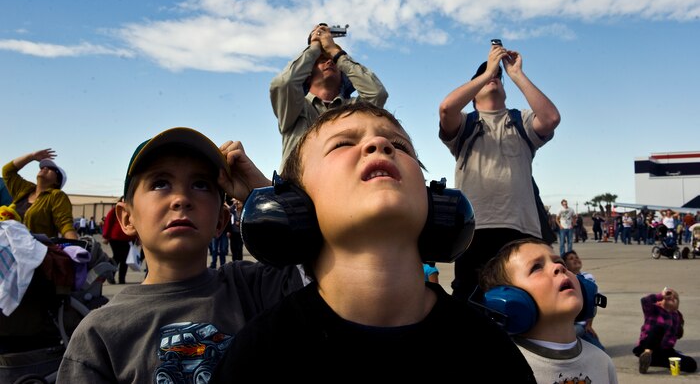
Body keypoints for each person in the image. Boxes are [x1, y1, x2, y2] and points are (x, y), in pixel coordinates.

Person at [211, 102, 536, 381]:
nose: (380, 144)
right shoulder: (261, 353)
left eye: (401, 146)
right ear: (295, 205)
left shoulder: (487, 349)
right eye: (342, 144)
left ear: (434, 201)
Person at [57, 127, 305, 383]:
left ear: (220, 220)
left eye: (200, 184)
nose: (181, 199)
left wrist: (263, 195)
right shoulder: (100, 332)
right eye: (160, 183)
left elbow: (327, 265)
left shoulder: (251, 288)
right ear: (127, 218)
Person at [439, 41, 560, 301]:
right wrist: (487, 72)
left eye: (497, 78)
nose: (493, 78)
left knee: (524, 299)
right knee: (470, 301)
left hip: (522, 228)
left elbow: (550, 118)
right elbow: (447, 108)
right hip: (476, 228)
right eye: (485, 79)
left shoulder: (521, 120)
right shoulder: (466, 124)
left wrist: (515, 74)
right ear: (472, 96)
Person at [479, 238, 618, 383]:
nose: (559, 267)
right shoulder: (501, 369)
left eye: (560, 262)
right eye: (536, 267)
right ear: (510, 299)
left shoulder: (602, 362)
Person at [270, 22, 388, 174]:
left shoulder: (353, 108)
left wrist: (336, 52)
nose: (329, 61)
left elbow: (377, 93)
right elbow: (283, 83)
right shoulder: (296, 106)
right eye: (320, 60)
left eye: (333, 61)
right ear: (307, 75)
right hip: (298, 192)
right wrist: (314, 47)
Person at [2, 149, 78, 239]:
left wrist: (76, 247)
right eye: (42, 167)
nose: (45, 168)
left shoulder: (56, 196)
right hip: (8, 247)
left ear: (57, 181)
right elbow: (7, 171)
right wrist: (32, 156)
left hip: (35, 250)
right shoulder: (24, 189)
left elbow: (64, 223)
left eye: (52, 169)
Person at [633, 287, 697, 374]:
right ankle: (647, 355)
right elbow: (645, 301)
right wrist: (661, 295)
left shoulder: (677, 316)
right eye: (668, 297)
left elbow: (677, 335)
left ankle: (650, 362)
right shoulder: (654, 310)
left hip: (664, 351)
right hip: (646, 346)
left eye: (675, 298)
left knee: (691, 364)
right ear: (660, 301)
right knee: (658, 329)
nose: (672, 299)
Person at [562, 250, 606, 351]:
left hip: (581, 324)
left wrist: (589, 324)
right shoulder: (563, 280)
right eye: (571, 259)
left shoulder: (587, 277)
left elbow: (593, 302)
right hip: (566, 324)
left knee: (600, 351)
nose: (576, 259)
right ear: (565, 265)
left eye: (576, 257)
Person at [101, 197, 131, 285]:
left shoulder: (131, 211)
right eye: (123, 199)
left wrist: (136, 238)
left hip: (127, 238)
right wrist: (106, 236)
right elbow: (108, 222)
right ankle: (111, 277)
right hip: (115, 238)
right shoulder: (114, 210)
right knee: (117, 257)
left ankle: (122, 279)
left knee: (125, 260)